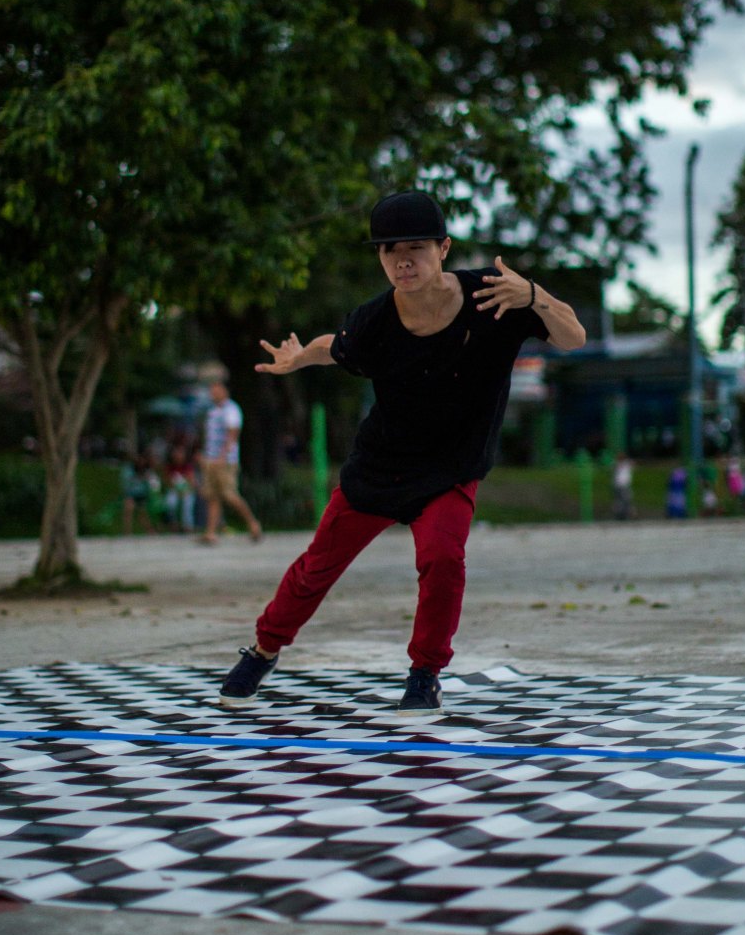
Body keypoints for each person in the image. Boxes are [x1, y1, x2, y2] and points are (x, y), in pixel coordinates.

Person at [216, 189, 586, 714]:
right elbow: (334, 345)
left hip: (452, 467)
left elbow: (572, 337)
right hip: (381, 467)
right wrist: (299, 358)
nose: (403, 260)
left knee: (442, 558)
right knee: (318, 566)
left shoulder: (495, 296)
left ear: (444, 248)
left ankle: (424, 673)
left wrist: (534, 295)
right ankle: (263, 650)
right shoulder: (375, 321)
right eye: (390, 250)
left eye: (415, 246)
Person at [199, 377, 263, 544]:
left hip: (225, 461)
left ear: (224, 390)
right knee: (212, 496)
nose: (213, 392)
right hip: (211, 460)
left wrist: (222, 456)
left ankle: (253, 523)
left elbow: (232, 434)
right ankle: (211, 532)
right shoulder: (213, 411)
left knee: (230, 495)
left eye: (216, 388)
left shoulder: (231, 409)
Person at [611, 453, 634, 520]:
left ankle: (625, 514)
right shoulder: (616, 464)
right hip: (619, 485)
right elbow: (613, 468)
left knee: (626, 500)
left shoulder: (627, 464)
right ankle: (620, 514)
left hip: (625, 485)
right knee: (620, 500)